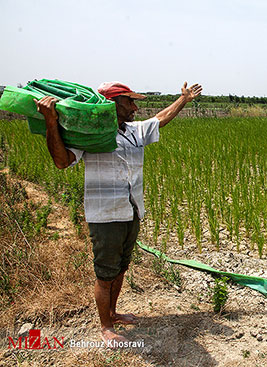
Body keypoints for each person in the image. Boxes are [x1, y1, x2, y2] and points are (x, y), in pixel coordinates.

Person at [34, 81, 202, 345]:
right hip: (106, 215)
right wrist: (51, 123)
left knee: (121, 268)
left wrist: (183, 100)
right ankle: (105, 327)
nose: (135, 107)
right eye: (130, 101)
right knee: (105, 274)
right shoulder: (91, 133)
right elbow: (62, 161)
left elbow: (159, 119)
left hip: (131, 210)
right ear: (113, 103)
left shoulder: (134, 131)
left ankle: (112, 313)